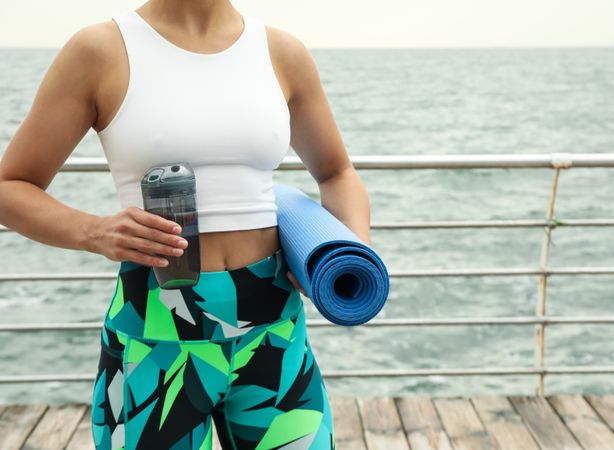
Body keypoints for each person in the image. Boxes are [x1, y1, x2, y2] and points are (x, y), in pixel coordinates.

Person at [0, 0, 372, 448]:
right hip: (156, 329)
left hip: (274, 327)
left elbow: (337, 173)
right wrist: (94, 232)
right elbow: (11, 186)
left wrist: (350, 254)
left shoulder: (280, 51)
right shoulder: (101, 49)